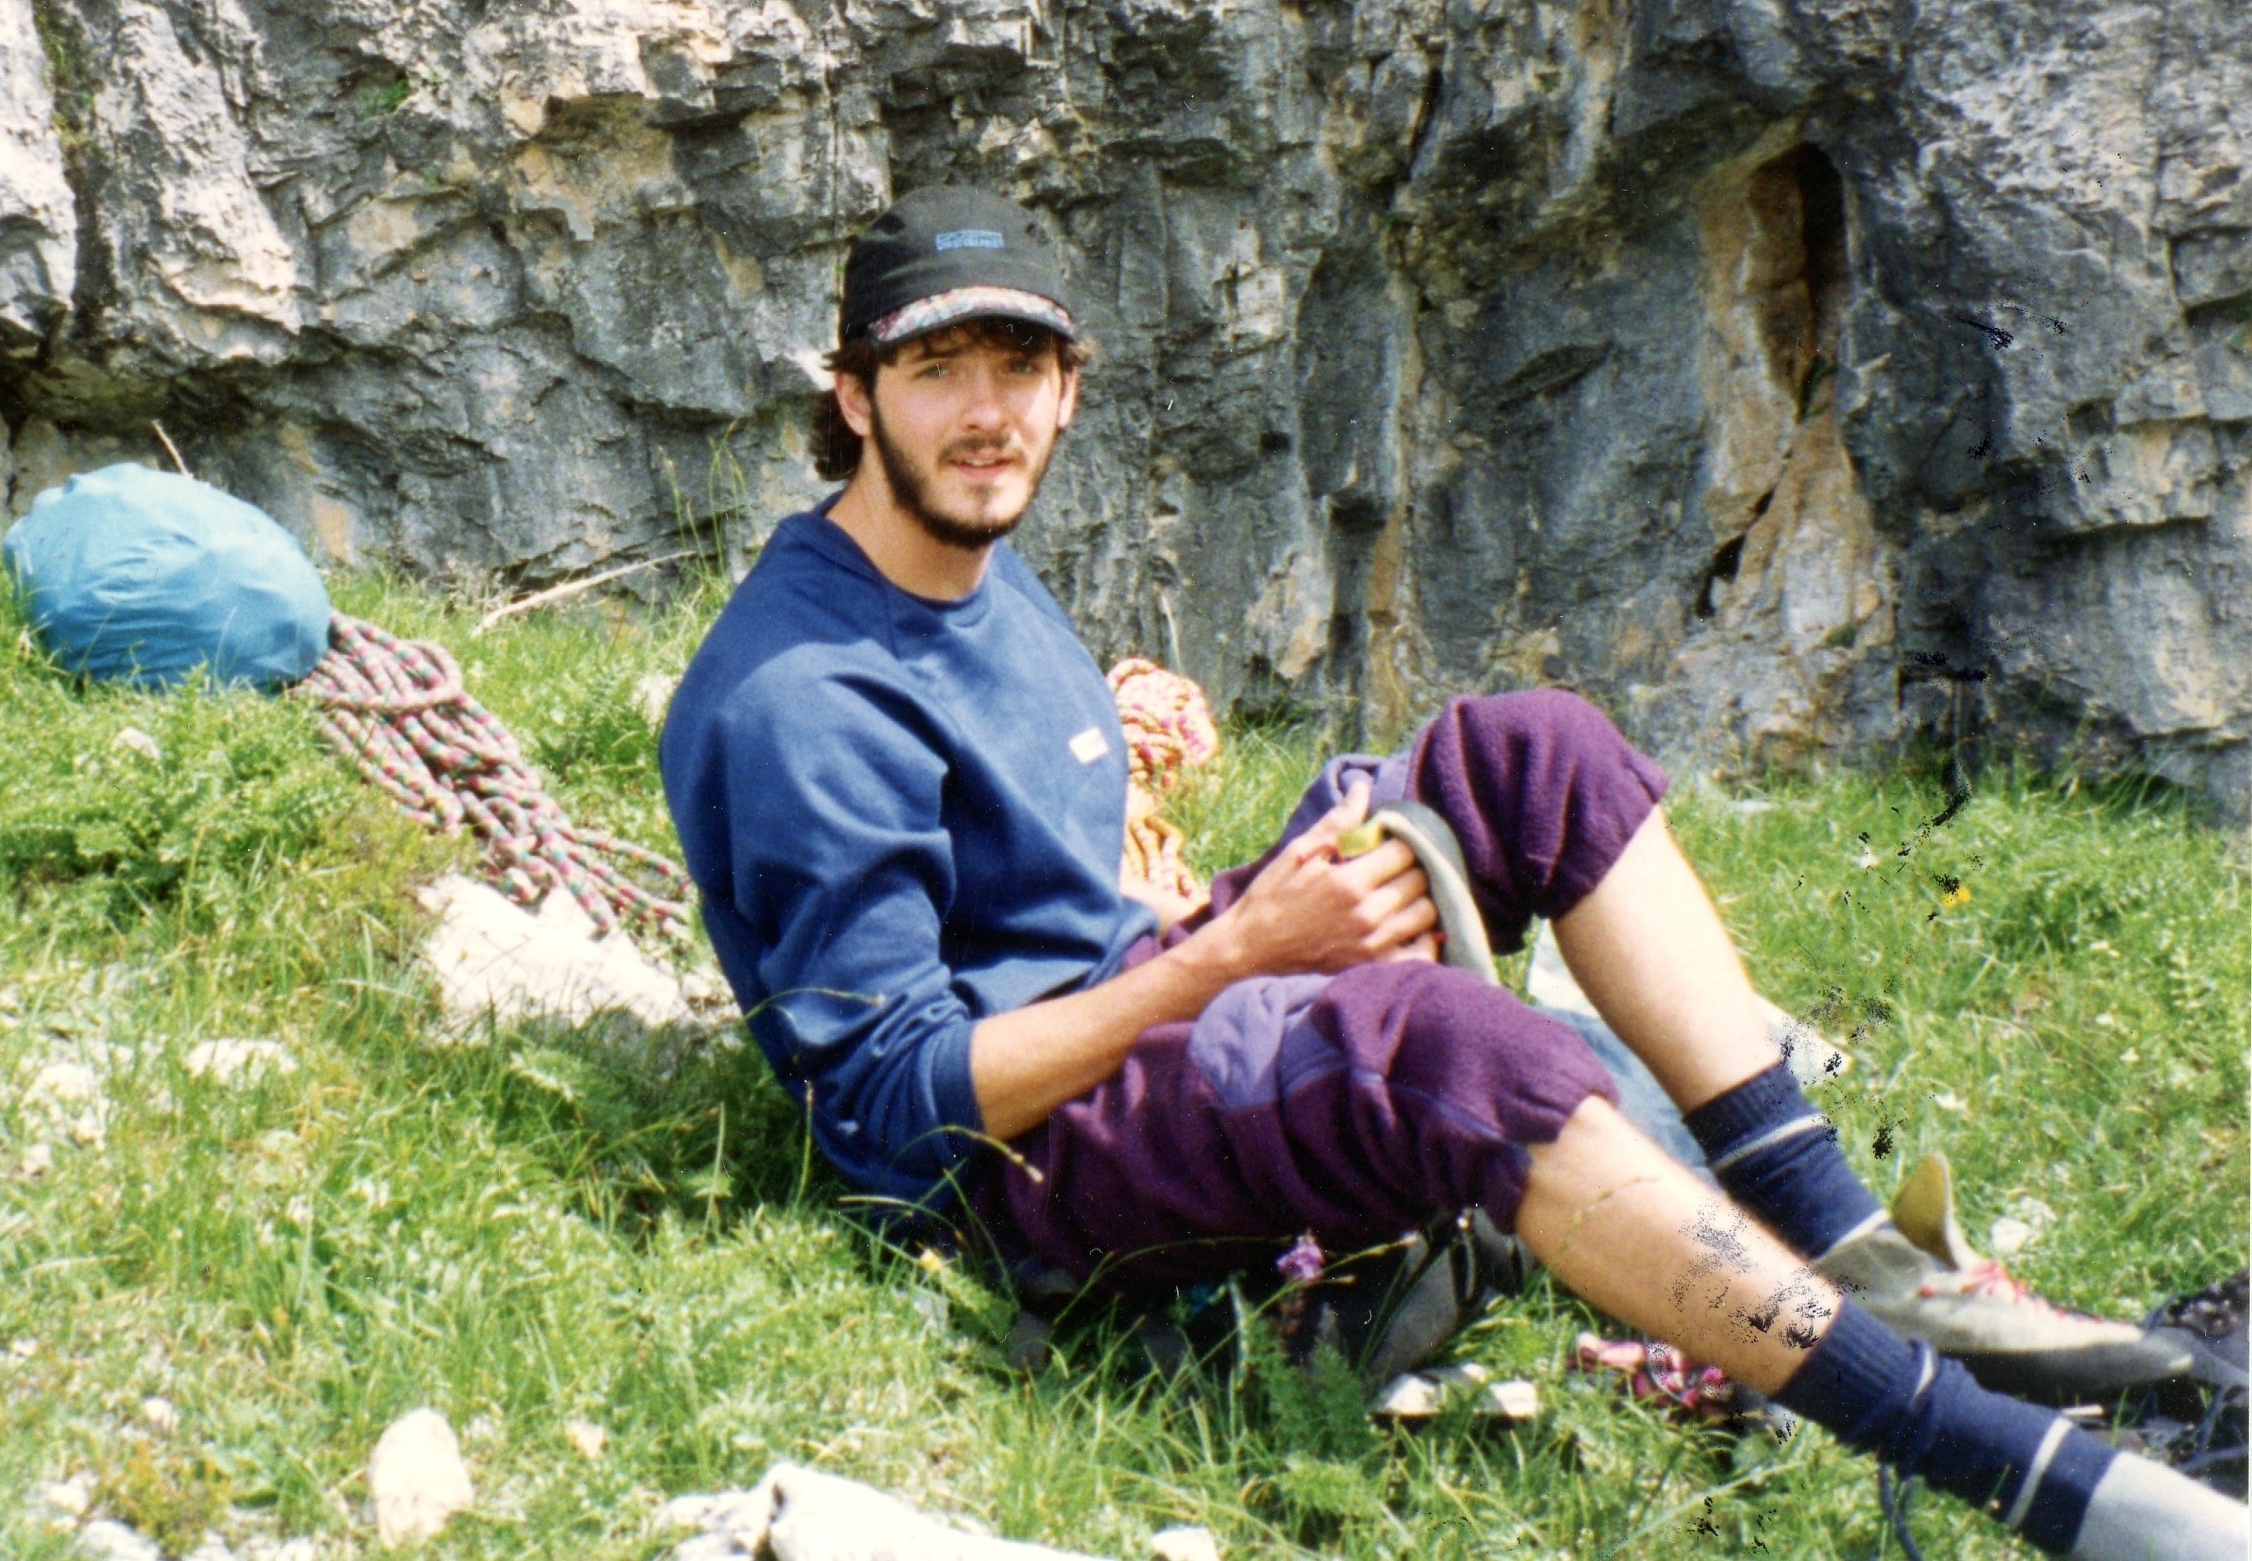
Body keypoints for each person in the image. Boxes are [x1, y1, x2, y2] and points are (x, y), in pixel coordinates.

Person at [657, 187, 2243, 1558]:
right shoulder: (802, 701)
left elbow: (1035, 893)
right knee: (1465, 1053)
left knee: (1528, 750)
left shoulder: (968, 564)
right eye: (936, 370)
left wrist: (1211, 913)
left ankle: (1862, 1262)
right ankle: (2021, 1477)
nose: (986, 411)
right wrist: (1235, 955)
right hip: (1030, 1169)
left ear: (1070, 389)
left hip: (1137, 996)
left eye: (1020, 366)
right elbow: (884, 1114)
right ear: (855, 397)